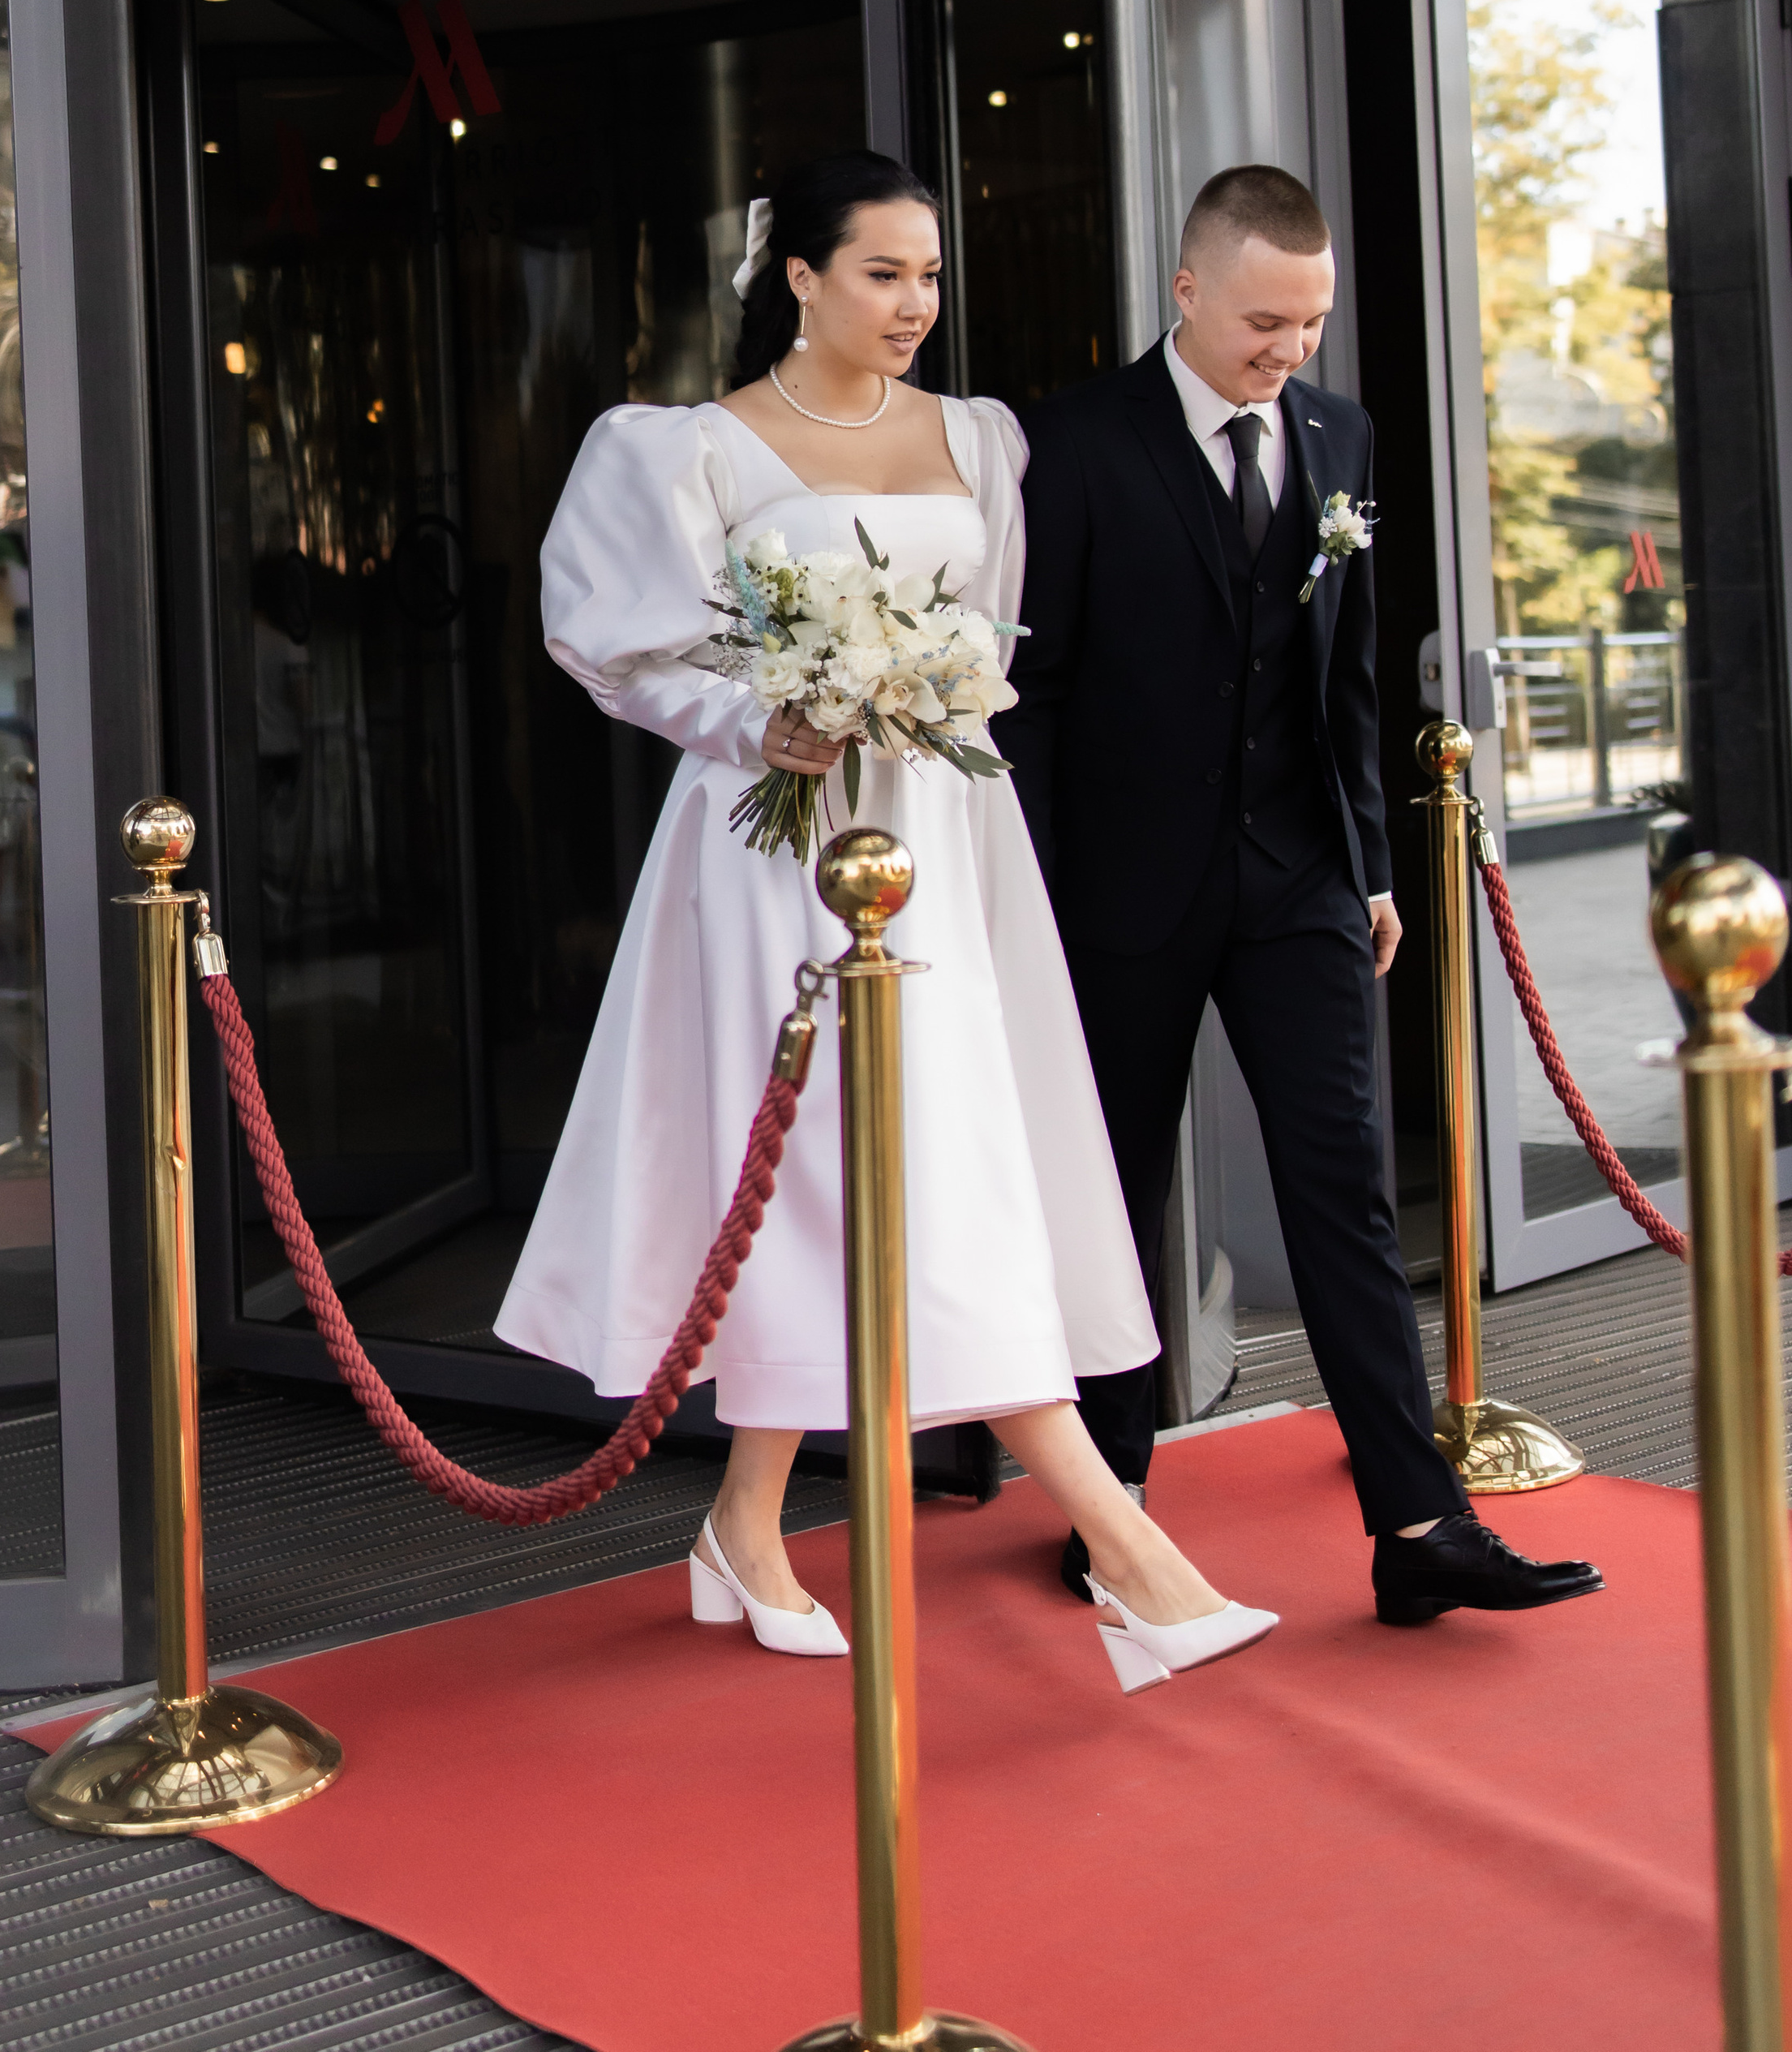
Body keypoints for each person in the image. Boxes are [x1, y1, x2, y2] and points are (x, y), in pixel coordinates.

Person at [496, 149, 1274, 1687]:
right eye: (883, 273)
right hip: (776, 861)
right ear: (798, 275)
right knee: (825, 1169)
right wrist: (752, 719)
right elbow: (607, 642)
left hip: (945, 841)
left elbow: (995, 646)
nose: (917, 304)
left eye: (929, 275)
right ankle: (1130, 1554)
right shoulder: (688, 450)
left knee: (915, 1161)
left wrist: (930, 696)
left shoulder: (982, 441)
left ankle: (742, 1523)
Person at [992, 165, 1603, 1628]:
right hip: (1118, 899)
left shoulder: (1340, 433)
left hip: (1303, 883)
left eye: (1312, 323)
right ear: (1189, 289)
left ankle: (1417, 1523)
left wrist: (1372, 866)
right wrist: (1046, 906)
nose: (1290, 351)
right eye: (1267, 319)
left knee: (1342, 1190)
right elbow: (1035, 703)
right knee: (1118, 1196)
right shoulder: (1072, 444)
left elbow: (1349, 676)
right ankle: (1115, 1506)